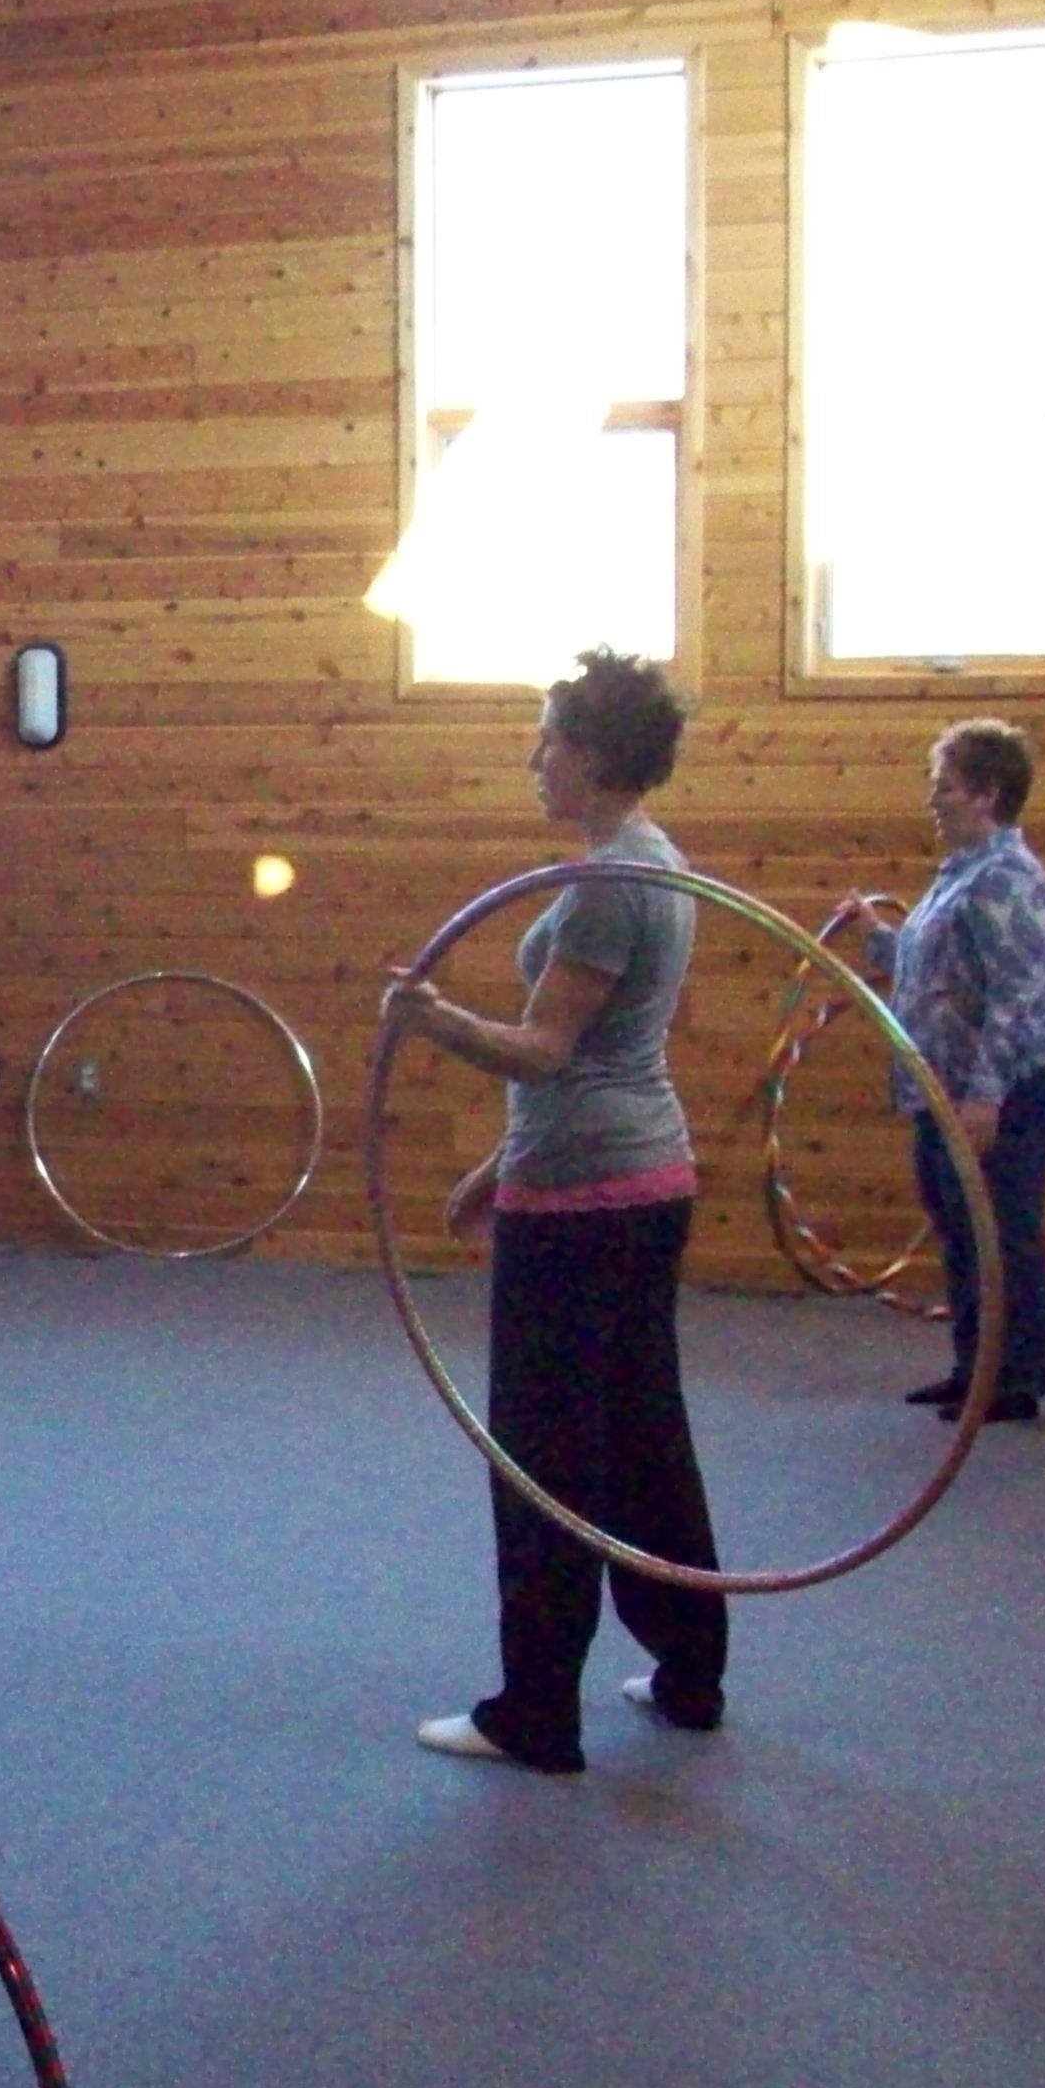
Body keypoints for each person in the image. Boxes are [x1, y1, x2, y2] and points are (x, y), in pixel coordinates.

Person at [381, 650, 725, 1775]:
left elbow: (545, 1052)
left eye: (545, 743)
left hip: (582, 1207)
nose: (533, 761)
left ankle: (534, 1709)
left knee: (540, 1457)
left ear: (591, 753)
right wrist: (499, 1167)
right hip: (627, 1182)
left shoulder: (607, 883)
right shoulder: (649, 863)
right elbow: (600, 1062)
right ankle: (687, 1672)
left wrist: (429, 1022)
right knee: (638, 1440)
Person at [850, 718, 1045, 1425]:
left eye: (943, 786)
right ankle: (974, 1366)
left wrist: (986, 1100)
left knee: (1000, 1228)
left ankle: (1013, 1379)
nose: (932, 799)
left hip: (1006, 1086)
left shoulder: (1008, 879)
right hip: (944, 1086)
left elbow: (1016, 998)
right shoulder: (962, 871)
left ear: (986, 793)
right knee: (958, 1222)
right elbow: (940, 973)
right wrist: (879, 941)